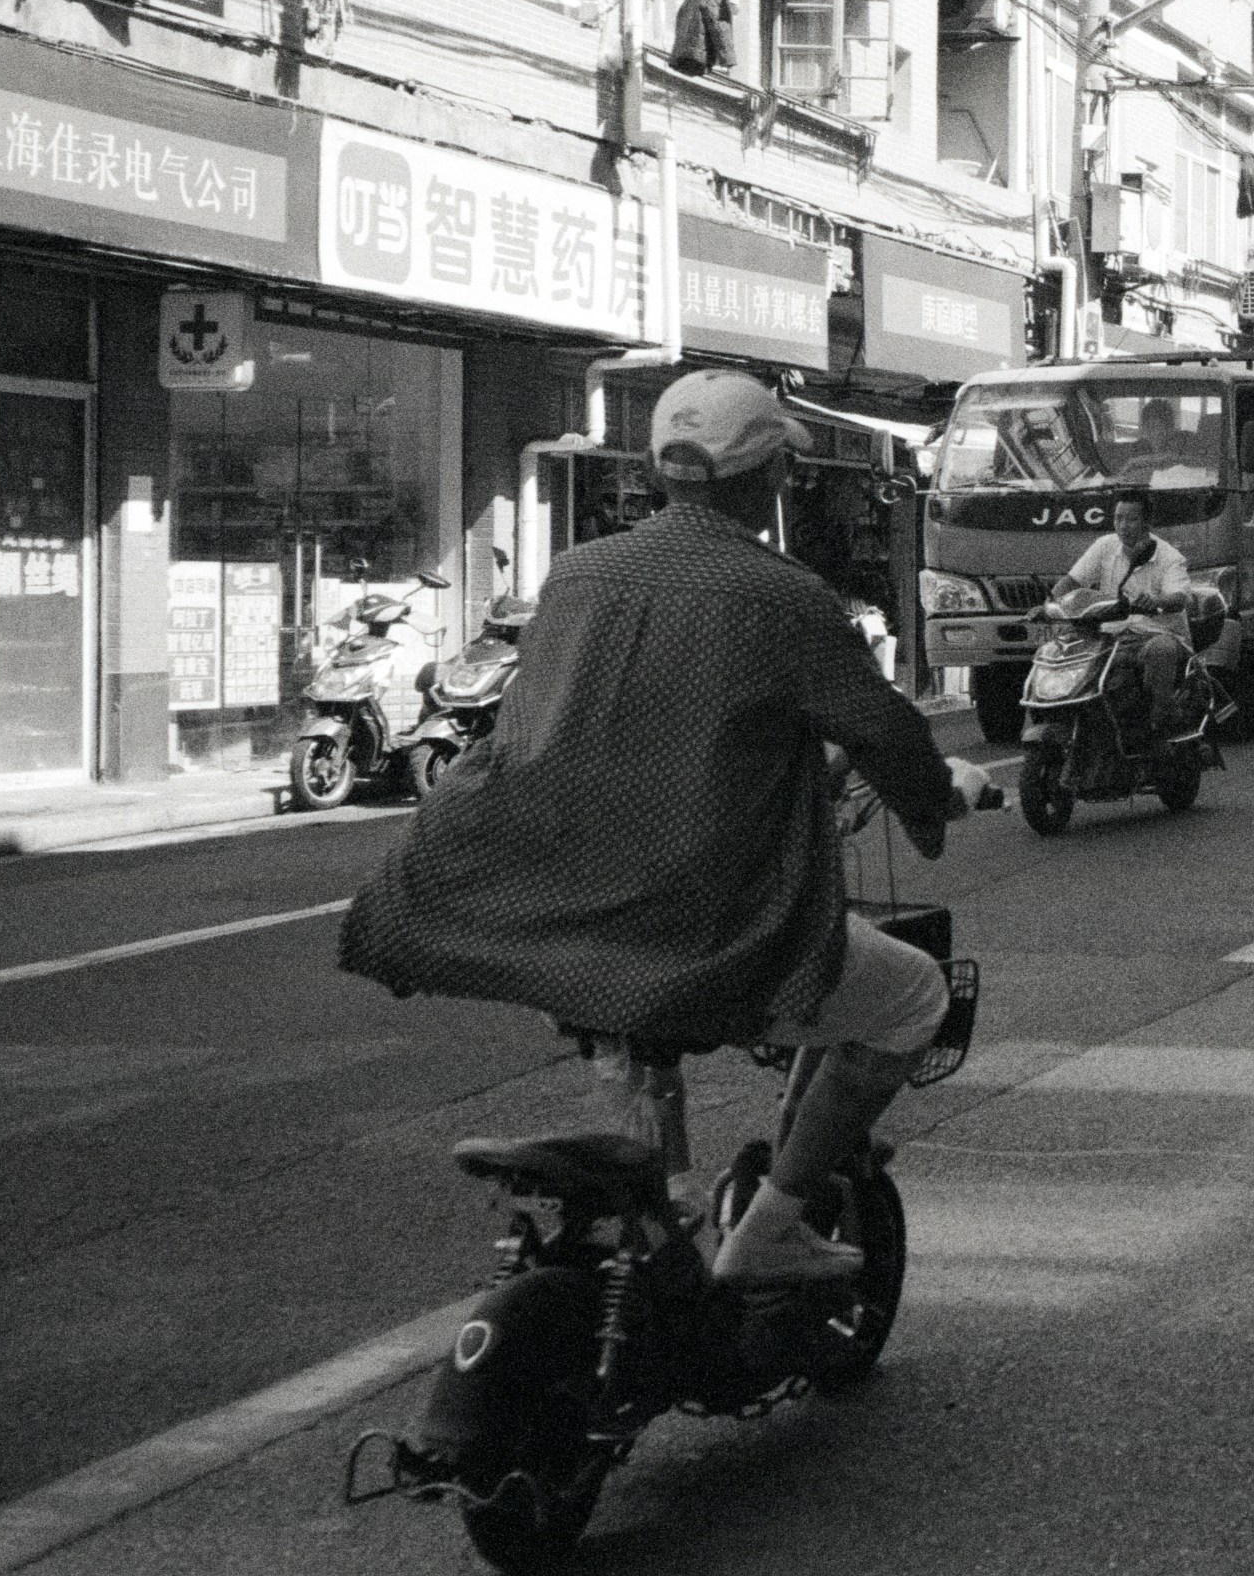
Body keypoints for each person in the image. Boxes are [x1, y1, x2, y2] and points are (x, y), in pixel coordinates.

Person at [339, 370, 987, 1285]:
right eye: (785, 467)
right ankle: (769, 1230)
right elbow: (883, 732)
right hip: (709, 930)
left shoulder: (577, 574)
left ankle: (670, 1213)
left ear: (657, 472)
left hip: (554, 918)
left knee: (634, 1042)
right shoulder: (785, 596)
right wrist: (933, 803)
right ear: (770, 476)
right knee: (914, 997)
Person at [1054, 489, 1194, 739]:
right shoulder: (1105, 546)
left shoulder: (1170, 558)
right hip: (1112, 637)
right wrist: (1049, 604)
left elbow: (1179, 598)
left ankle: (1159, 724)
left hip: (1155, 634)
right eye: (1118, 518)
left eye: (1131, 519)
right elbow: (1071, 582)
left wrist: (1156, 601)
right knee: (1064, 648)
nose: (1123, 526)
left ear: (1147, 523)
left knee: (1161, 649)